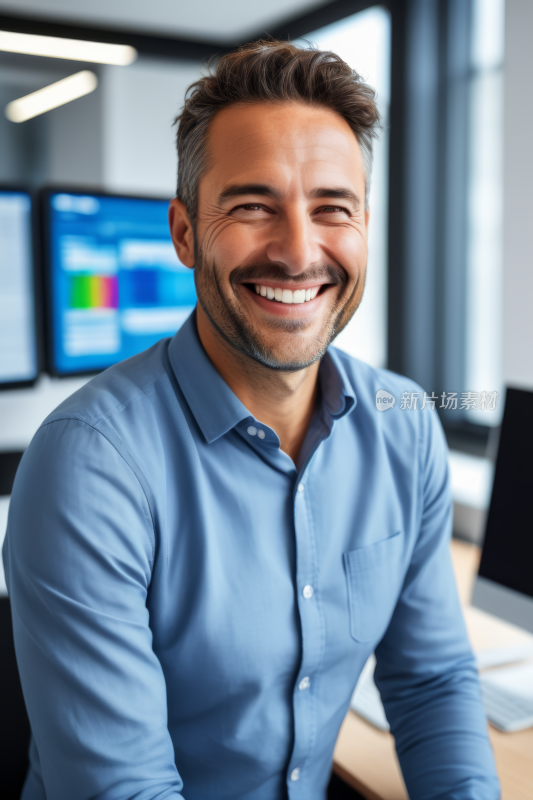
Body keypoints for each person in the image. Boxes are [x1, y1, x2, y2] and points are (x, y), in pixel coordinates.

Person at [3, 41, 500, 800]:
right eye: (251, 206)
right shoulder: (89, 466)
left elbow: (431, 681)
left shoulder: (405, 428)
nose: (298, 252)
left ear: (364, 226)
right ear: (183, 233)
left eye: (331, 208)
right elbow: (123, 789)